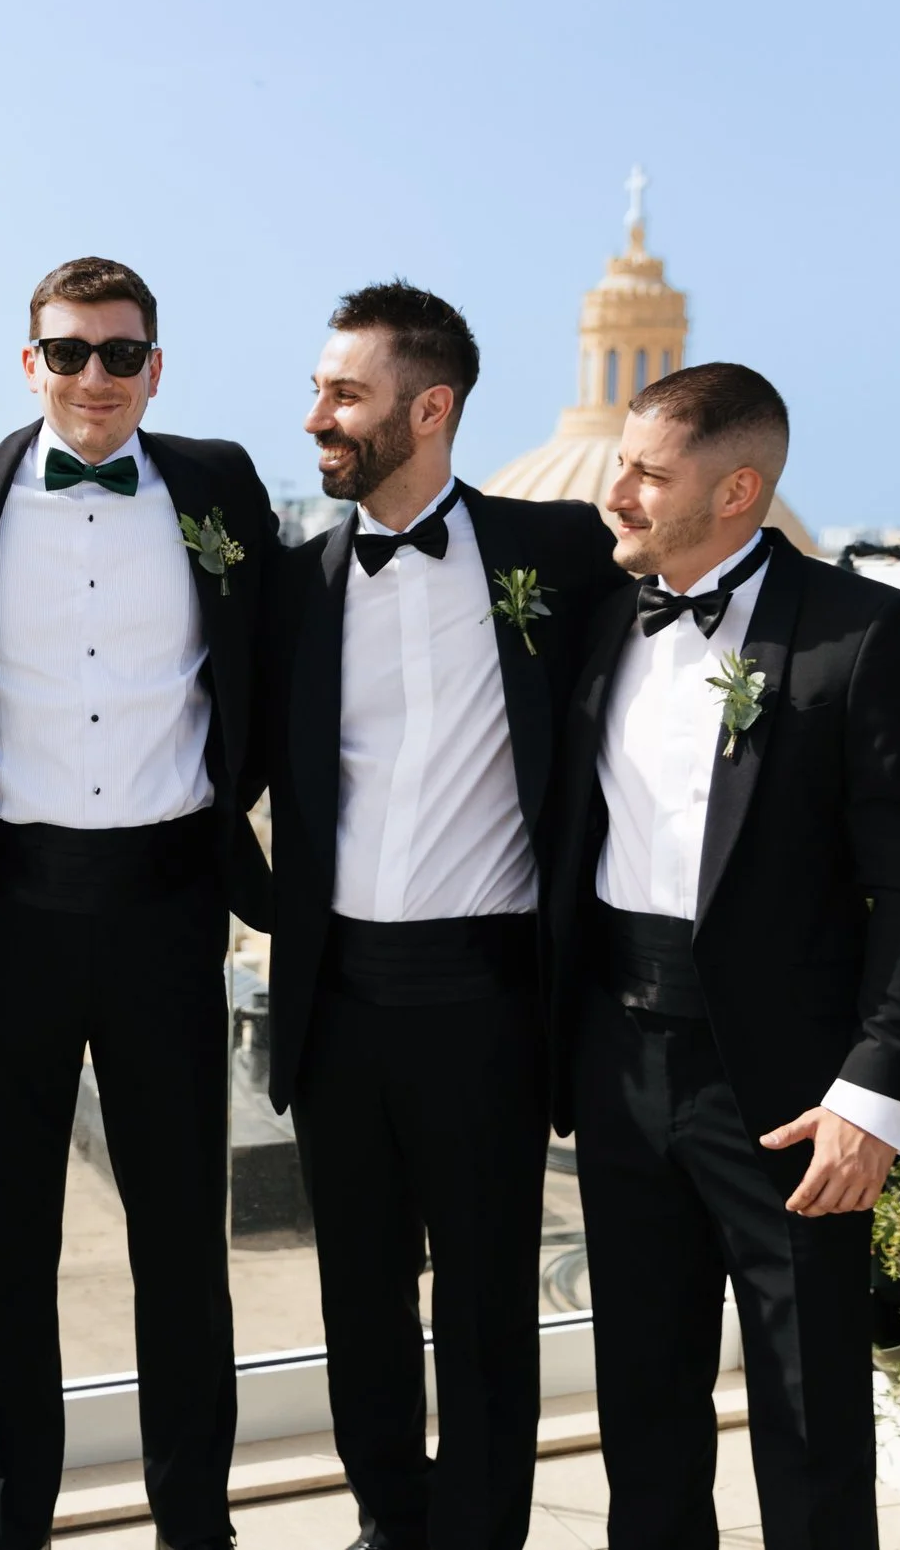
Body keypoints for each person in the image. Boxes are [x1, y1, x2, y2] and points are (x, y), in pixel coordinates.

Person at [0, 258, 273, 1550]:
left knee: (183, 1250)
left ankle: (197, 1523)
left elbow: (284, 652)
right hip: (4, 913)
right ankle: (10, 1528)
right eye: (70, 350)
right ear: (27, 360)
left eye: (122, 353)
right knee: (9, 1251)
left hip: (165, 908)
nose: (96, 377)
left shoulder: (221, 484)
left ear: (158, 365)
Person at [541, 362, 900, 1550]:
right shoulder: (596, 608)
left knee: (808, 1403)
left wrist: (875, 1093)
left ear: (737, 490)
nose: (615, 489)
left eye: (646, 472)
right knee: (640, 1394)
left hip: (787, 1085)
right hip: (616, 1057)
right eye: (621, 460)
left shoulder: (864, 630)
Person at [263, 282, 624, 1550]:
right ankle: (386, 1519)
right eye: (318, 387)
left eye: (343, 392)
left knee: (483, 1302)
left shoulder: (561, 556)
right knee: (357, 1295)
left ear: (431, 407)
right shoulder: (291, 581)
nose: (316, 414)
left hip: (488, 995)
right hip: (336, 999)